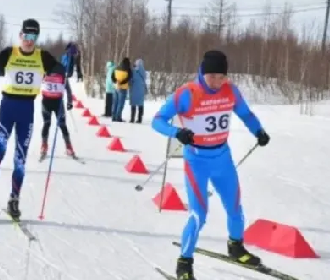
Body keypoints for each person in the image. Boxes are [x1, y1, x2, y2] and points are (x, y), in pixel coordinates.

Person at [151, 50, 271, 280]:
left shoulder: (231, 91)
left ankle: (236, 247)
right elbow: (157, 121)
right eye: (212, 76)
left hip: (222, 158)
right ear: (202, 72)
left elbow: (246, 114)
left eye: (221, 76)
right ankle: (184, 262)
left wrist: (259, 131)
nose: (217, 82)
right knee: (199, 214)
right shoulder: (186, 93)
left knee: (235, 206)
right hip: (197, 161)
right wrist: (177, 132)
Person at [0, 18, 65, 221]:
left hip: (27, 109)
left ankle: (14, 198)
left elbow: (59, 70)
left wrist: (62, 71)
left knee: (20, 157)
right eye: (27, 36)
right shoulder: (9, 53)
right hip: (7, 108)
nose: (29, 40)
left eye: (34, 36)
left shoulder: (43, 56)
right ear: (21, 35)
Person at [39, 70, 74, 158]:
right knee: (47, 123)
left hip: (57, 103)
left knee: (62, 125)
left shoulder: (61, 73)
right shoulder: (44, 71)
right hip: (47, 102)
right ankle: (44, 145)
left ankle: (68, 147)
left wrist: (69, 102)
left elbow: (68, 89)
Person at [111, 57, 132, 122]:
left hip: (116, 87)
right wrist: (121, 82)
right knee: (120, 103)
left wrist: (116, 82)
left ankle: (113, 116)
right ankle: (118, 117)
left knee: (115, 102)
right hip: (123, 88)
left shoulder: (117, 68)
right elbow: (128, 78)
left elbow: (112, 76)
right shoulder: (128, 69)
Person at [128, 59, 147, 123]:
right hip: (141, 89)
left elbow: (131, 80)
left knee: (133, 104)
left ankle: (132, 118)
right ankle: (140, 119)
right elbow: (144, 80)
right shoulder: (144, 71)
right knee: (140, 104)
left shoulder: (133, 71)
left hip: (134, 89)